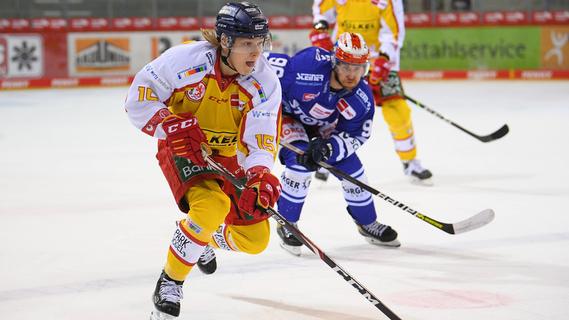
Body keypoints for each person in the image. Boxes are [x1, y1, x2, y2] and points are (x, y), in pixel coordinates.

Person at [124, 2, 282, 318]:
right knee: (212, 207)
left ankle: (198, 236)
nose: (256, 53)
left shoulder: (265, 82)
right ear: (225, 41)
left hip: (228, 155)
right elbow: (138, 98)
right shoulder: (184, 61)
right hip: (184, 147)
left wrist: (259, 176)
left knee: (255, 240)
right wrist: (169, 123)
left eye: (260, 43)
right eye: (247, 44)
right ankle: (170, 283)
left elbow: (260, 139)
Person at [266, 32, 400, 256]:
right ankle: (287, 224)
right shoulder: (307, 66)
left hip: (325, 130)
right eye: (347, 66)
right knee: (301, 164)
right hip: (289, 117)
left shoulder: (361, 98)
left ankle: (367, 223)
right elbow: (261, 67)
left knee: (354, 172)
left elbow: (356, 136)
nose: (352, 74)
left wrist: (329, 148)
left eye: (358, 68)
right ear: (335, 62)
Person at [311, 0, 433, 184]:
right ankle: (326, 155)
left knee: (397, 110)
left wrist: (385, 59)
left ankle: (410, 161)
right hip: (344, 56)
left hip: (377, 59)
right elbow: (321, 11)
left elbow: (393, 33)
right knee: (333, 108)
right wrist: (320, 29)